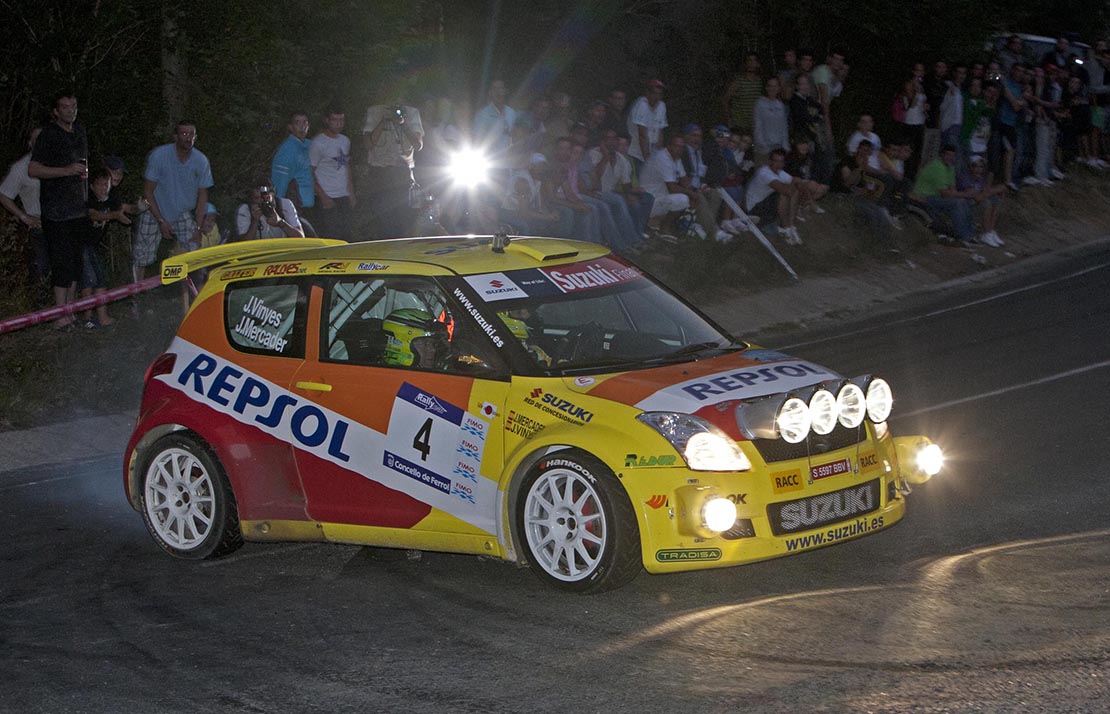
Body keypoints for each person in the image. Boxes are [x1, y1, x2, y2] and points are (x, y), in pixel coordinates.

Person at [28, 93, 90, 328]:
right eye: (64, 107)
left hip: (78, 209)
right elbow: (33, 170)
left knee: (76, 263)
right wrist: (65, 170)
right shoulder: (48, 135)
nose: (69, 111)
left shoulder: (80, 132)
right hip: (56, 211)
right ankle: (59, 315)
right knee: (61, 263)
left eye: (73, 106)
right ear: (56, 111)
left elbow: (82, 166)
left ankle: (70, 312)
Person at [134, 120, 214, 279]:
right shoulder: (159, 156)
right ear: (175, 136)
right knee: (142, 255)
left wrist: (198, 228)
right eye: (184, 133)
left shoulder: (201, 161)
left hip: (182, 211)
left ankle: (196, 294)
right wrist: (161, 220)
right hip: (154, 208)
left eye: (191, 134)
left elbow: (203, 196)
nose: (188, 138)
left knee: (195, 250)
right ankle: (135, 296)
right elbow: (148, 191)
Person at [363, 98, 423, 238]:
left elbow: (418, 145)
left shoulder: (412, 113)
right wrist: (383, 121)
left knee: (405, 219)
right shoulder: (374, 111)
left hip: (403, 173)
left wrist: (403, 123)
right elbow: (368, 144)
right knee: (383, 221)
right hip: (380, 173)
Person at [83, 169, 131, 327]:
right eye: (100, 185)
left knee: (97, 278)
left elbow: (125, 211)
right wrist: (115, 215)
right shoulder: (88, 199)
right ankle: (89, 319)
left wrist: (141, 207)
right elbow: (94, 215)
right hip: (79, 243)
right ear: (92, 186)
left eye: (107, 184)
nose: (104, 188)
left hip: (92, 244)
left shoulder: (110, 199)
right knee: (90, 279)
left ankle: (97, 318)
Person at [587, 128, 653, 240]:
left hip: (611, 193)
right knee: (619, 201)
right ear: (602, 141)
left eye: (614, 139)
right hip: (595, 192)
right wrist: (605, 157)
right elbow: (595, 179)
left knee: (644, 199)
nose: (611, 142)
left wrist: (630, 194)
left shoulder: (621, 159)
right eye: (608, 139)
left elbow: (626, 184)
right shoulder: (593, 154)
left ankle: (638, 233)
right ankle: (632, 240)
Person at [1, 126, 46, 284]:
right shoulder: (20, 168)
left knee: (66, 273)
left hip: (61, 223)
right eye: (37, 140)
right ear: (30, 143)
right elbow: (4, 195)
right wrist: (23, 216)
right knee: (41, 270)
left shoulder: (59, 162)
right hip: (38, 226)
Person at [912, 144, 977, 246]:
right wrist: (966, 194)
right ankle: (963, 236)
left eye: (952, 155)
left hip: (937, 197)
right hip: (925, 197)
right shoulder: (937, 167)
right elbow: (945, 193)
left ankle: (970, 234)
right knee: (957, 203)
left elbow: (952, 190)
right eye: (947, 155)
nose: (950, 158)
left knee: (964, 201)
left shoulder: (950, 168)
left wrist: (964, 195)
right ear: (942, 155)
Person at [310, 106, 356, 240]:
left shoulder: (345, 140)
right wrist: (323, 196)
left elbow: (347, 166)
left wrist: (351, 192)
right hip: (327, 195)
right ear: (327, 120)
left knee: (347, 235)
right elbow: (309, 172)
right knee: (331, 236)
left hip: (344, 195)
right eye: (334, 120)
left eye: (341, 120)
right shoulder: (318, 142)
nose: (338, 123)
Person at [745, 148, 801, 244]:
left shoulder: (779, 172)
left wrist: (799, 183)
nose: (778, 164)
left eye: (781, 161)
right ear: (770, 161)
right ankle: (785, 228)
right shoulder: (765, 173)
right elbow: (787, 190)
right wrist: (794, 182)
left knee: (794, 191)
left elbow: (798, 182)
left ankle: (791, 226)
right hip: (753, 209)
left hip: (765, 205)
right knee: (784, 194)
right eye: (775, 161)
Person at [639, 133, 691, 235]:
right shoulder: (662, 157)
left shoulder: (676, 158)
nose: (679, 149)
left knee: (691, 197)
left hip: (661, 198)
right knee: (683, 200)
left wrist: (694, 191)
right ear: (669, 146)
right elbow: (672, 188)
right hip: (648, 201)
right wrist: (692, 194)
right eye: (676, 146)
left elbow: (685, 181)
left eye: (682, 147)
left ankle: (656, 224)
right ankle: (664, 227)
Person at [270, 111, 314, 220]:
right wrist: (279, 209)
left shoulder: (310, 145)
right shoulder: (287, 150)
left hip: (313, 204)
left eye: (305, 123)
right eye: (297, 123)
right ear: (290, 127)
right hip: (296, 207)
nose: (302, 127)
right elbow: (279, 181)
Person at [956, 154, 1007, 246]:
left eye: (981, 167)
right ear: (970, 167)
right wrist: (996, 190)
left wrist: (996, 191)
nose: (978, 169)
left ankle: (990, 231)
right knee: (986, 202)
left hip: (977, 202)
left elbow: (985, 192)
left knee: (996, 200)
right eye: (975, 166)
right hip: (967, 206)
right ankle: (986, 233)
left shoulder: (980, 179)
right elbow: (977, 197)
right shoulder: (965, 178)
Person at [236, 181, 304, 240]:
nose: (262, 201)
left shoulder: (284, 205)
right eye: (257, 198)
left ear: (273, 194)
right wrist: (255, 221)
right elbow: (243, 243)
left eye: (265, 197)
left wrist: (280, 222)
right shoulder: (245, 210)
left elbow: (301, 237)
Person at [626, 79, 668, 173]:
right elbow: (642, 136)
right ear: (647, 93)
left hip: (651, 154)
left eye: (659, 94)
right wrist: (648, 163)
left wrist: (657, 157)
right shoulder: (641, 104)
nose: (656, 97)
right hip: (636, 153)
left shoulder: (661, 106)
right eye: (654, 93)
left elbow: (660, 133)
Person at [722, 52, 764, 135]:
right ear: (746, 64)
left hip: (753, 125)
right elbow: (725, 100)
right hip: (739, 125)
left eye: (754, 60)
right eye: (749, 60)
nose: (752, 63)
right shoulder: (738, 81)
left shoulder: (759, 82)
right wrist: (729, 120)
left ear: (758, 64)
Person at [753, 77, 789, 163]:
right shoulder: (760, 103)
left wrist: (785, 146)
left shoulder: (780, 105)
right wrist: (763, 146)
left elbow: (784, 126)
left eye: (775, 86)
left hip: (779, 148)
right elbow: (757, 126)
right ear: (766, 88)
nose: (773, 89)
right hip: (764, 149)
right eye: (770, 86)